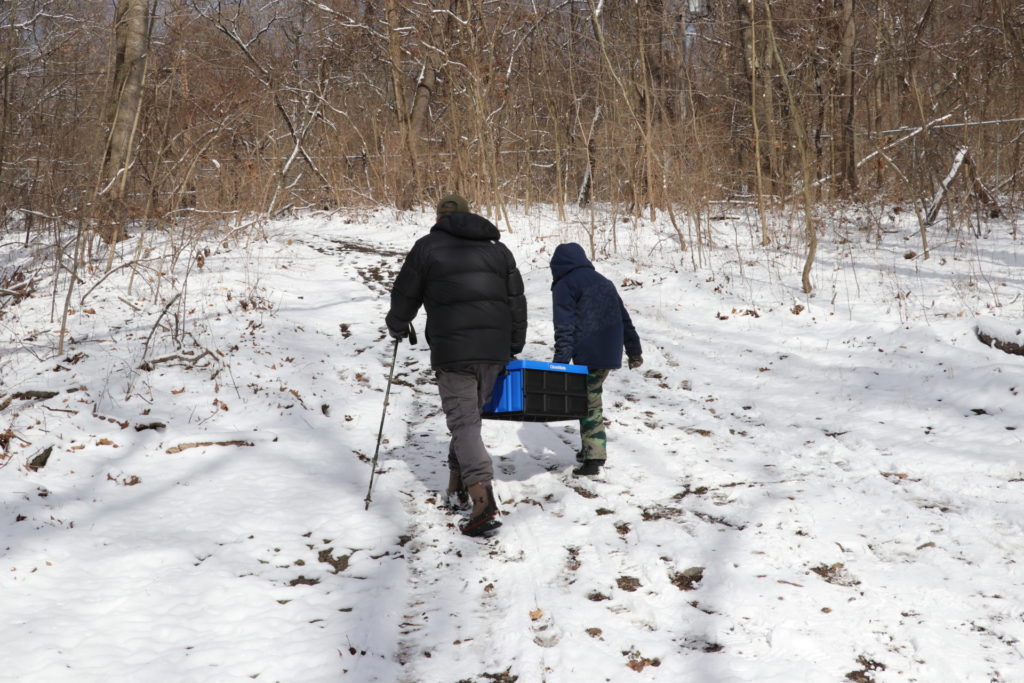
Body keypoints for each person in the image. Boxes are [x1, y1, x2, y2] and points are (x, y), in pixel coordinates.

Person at [385, 194, 527, 537]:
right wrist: (513, 345)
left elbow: (406, 293)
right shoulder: (498, 250)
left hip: (454, 352)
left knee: (464, 424)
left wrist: (397, 323)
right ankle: (457, 487)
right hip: (493, 351)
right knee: (468, 422)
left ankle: (483, 502)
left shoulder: (427, 247)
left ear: (439, 218)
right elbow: (516, 301)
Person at [549, 242, 643, 477]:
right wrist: (634, 350)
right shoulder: (604, 281)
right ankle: (589, 449)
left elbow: (565, 326)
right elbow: (624, 318)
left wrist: (559, 362)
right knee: (589, 398)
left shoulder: (565, 284)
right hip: (609, 351)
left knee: (589, 404)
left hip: (588, 352)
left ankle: (594, 459)